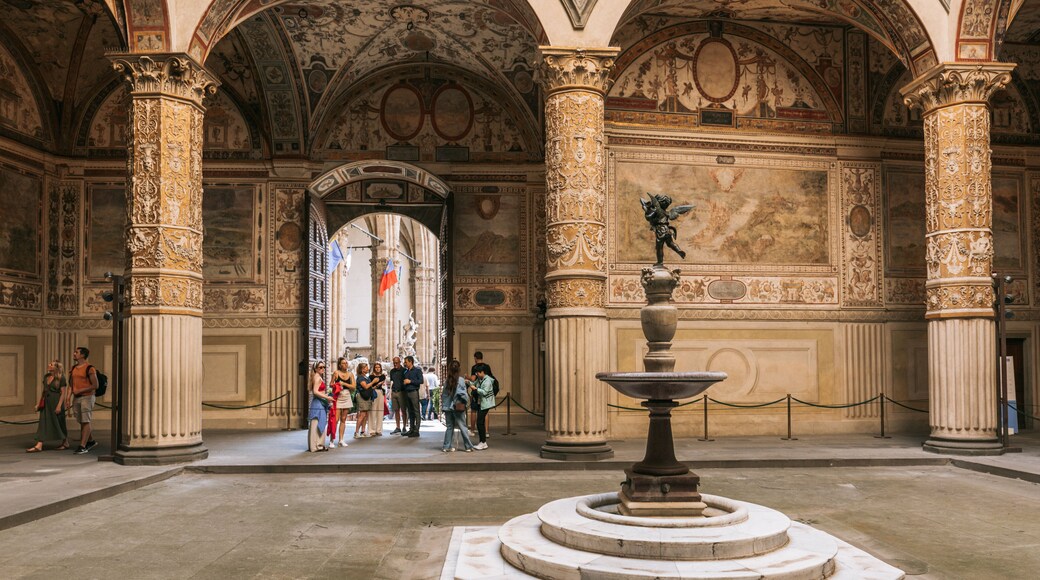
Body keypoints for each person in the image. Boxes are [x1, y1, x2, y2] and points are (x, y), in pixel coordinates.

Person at [27, 359, 70, 452]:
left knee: (59, 422)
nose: (49, 365)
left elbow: (63, 393)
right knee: (43, 422)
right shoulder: (46, 376)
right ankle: (39, 444)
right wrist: (39, 403)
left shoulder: (61, 378)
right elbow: (44, 391)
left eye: (51, 364)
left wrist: (59, 406)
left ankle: (65, 442)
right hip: (46, 402)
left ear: (56, 367)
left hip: (56, 401)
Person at [69, 347, 99, 454]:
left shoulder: (90, 368)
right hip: (77, 397)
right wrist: (69, 398)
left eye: (76, 352)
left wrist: (81, 390)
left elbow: (95, 385)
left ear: (82, 355)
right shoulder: (73, 368)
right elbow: (71, 385)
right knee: (81, 420)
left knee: (85, 421)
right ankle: (90, 441)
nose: (74, 353)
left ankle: (82, 446)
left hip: (87, 397)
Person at [441, 360, 475, 452]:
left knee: (449, 427)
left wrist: (444, 406)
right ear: (459, 369)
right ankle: (468, 446)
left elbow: (443, 395)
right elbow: (463, 394)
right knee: (463, 426)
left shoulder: (447, 381)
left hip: (448, 407)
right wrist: (466, 401)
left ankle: (446, 446)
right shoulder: (461, 380)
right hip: (457, 406)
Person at [307, 361, 333, 452]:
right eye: (320, 367)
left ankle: (317, 445)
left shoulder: (316, 377)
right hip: (318, 403)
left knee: (317, 423)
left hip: (319, 402)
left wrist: (327, 396)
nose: (322, 369)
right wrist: (327, 397)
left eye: (324, 367)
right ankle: (316, 446)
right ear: (316, 368)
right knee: (316, 424)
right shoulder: (317, 378)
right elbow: (315, 392)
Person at [467, 351, 494, 436]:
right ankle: (486, 431)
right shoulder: (487, 367)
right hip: (486, 391)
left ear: (475, 358)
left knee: (474, 410)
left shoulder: (475, 367)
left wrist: (467, 377)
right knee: (485, 411)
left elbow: (473, 378)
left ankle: (472, 430)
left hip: (477, 390)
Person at [468, 366, 495, 450]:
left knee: (479, 422)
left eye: (478, 373)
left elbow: (484, 392)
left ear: (483, 372)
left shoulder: (487, 381)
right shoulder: (480, 379)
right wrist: (469, 383)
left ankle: (483, 442)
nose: (477, 375)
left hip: (486, 404)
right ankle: (482, 442)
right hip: (482, 403)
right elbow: (474, 384)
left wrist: (476, 389)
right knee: (480, 422)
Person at [331, 357, 354, 447]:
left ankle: (341, 439)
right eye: (343, 363)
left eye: (346, 363)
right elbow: (331, 383)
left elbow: (353, 386)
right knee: (336, 419)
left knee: (343, 419)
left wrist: (344, 384)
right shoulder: (336, 373)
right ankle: (332, 440)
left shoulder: (350, 374)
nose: (345, 364)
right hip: (338, 395)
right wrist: (336, 385)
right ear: (340, 365)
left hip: (347, 395)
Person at [401, 355, 423, 437]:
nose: (405, 363)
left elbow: (421, 381)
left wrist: (410, 381)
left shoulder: (417, 370)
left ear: (410, 362)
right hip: (407, 392)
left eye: (406, 362)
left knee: (416, 411)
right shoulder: (406, 372)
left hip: (414, 391)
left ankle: (416, 430)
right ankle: (411, 429)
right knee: (410, 411)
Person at [354, 362, 373, 438]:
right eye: (365, 368)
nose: (367, 369)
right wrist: (373, 382)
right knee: (362, 414)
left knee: (365, 415)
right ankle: (356, 432)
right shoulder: (360, 377)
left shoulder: (366, 377)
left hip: (367, 396)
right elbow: (365, 386)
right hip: (362, 396)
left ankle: (363, 431)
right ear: (362, 370)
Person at [368, 362, 387, 436]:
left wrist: (376, 384)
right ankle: (371, 430)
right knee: (372, 410)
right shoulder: (370, 377)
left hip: (380, 393)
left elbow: (381, 382)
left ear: (381, 368)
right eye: (376, 367)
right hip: (373, 392)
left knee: (380, 411)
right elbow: (372, 386)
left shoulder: (383, 376)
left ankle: (378, 430)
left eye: (379, 367)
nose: (377, 368)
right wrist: (377, 384)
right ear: (374, 368)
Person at [388, 356, 406, 434]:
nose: (395, 364)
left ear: (400, 362)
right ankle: (398, 427)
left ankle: (404, 426)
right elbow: (392, 381)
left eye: (397, 363)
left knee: (403, 410)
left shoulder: (404, 371)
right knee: (396, 410)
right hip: (394, 391)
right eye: (394, 363)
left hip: (402, 392)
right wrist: (390, 392)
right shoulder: (392, 371)